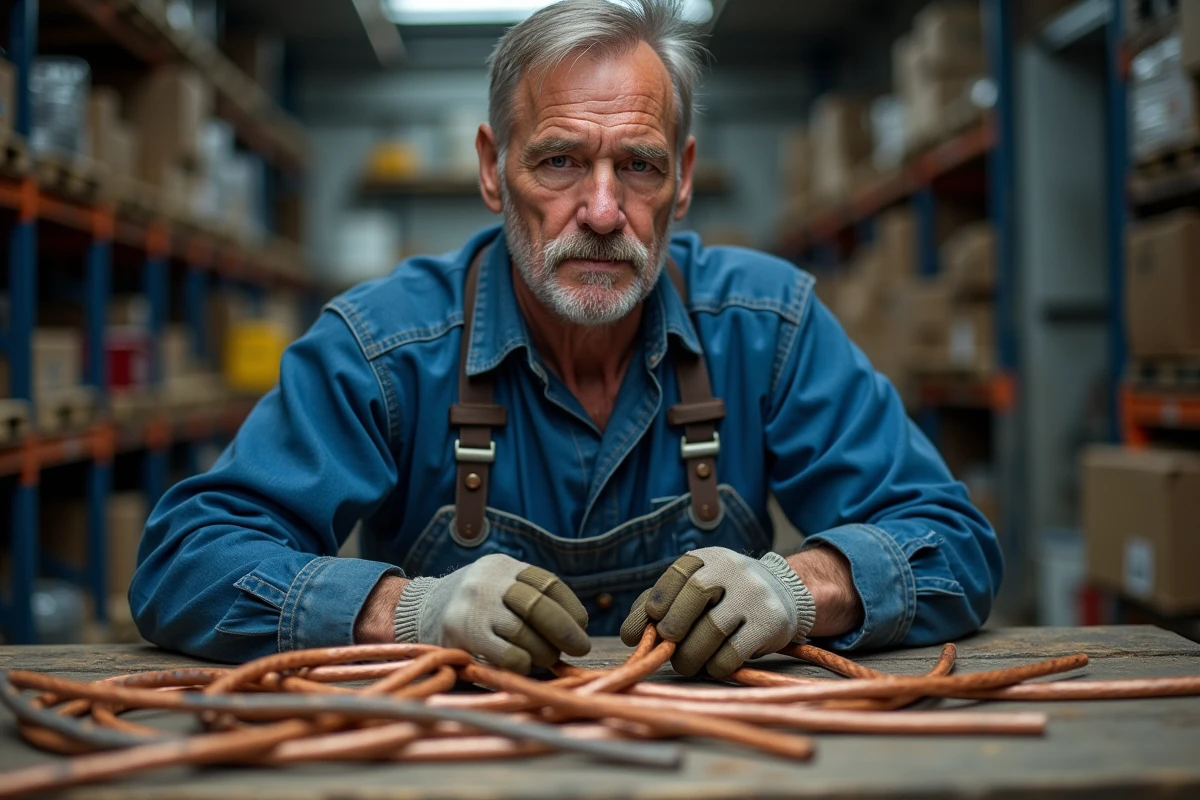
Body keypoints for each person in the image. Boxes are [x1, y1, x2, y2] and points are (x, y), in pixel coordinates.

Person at [131, 0, 1002, 678]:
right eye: (558, 162)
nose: (600, 211)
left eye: (639, 164)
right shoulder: (386, 346)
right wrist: (406, 610)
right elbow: (186, 561)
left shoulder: (766, 326)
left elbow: (953, 540)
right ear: (489, 168)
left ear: (684, 179)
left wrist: (801, 588)